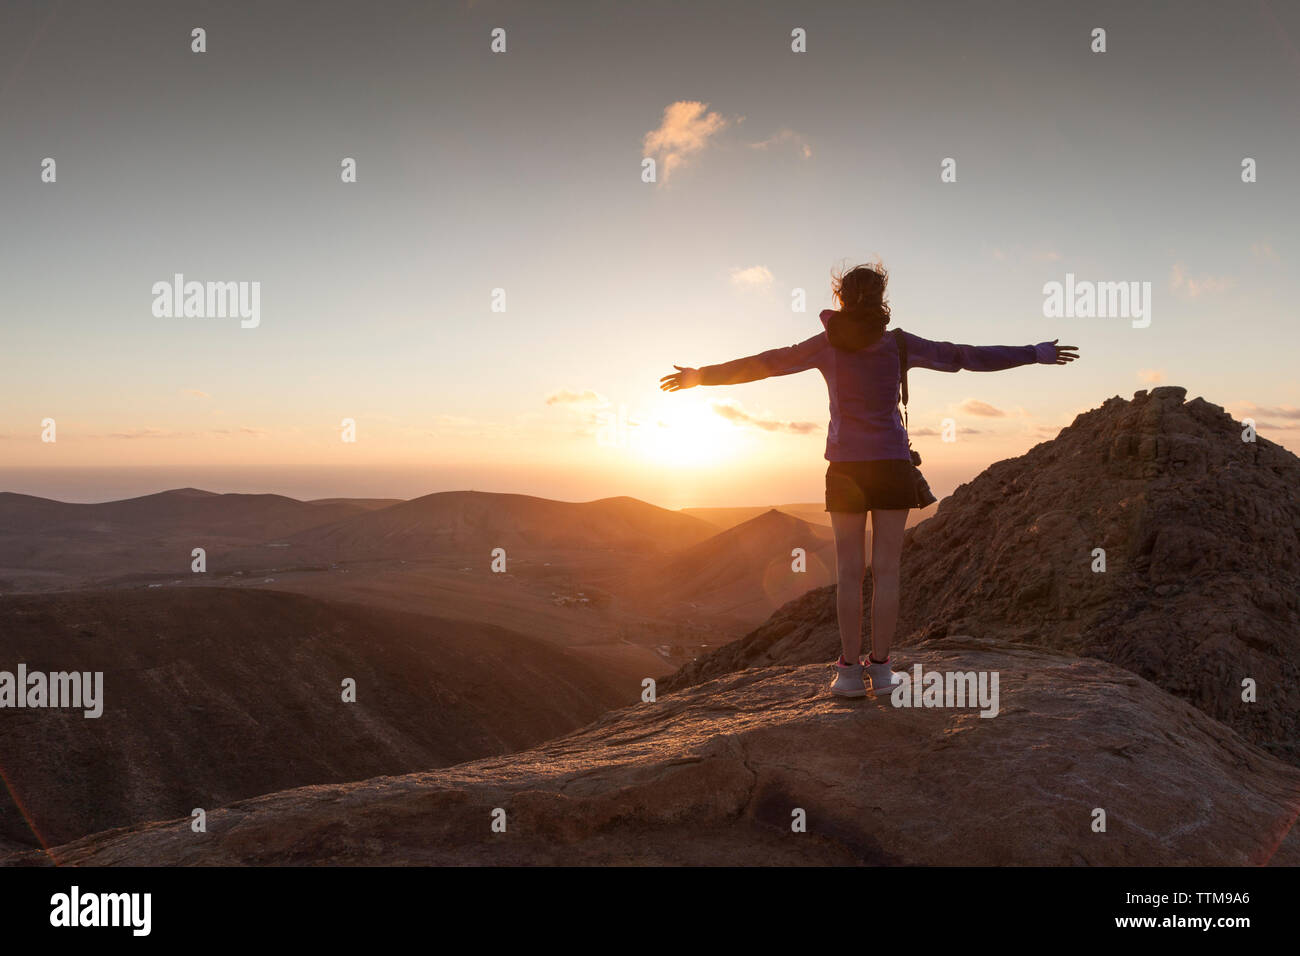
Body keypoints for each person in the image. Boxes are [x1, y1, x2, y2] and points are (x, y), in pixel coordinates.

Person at [659, 261, 1079, 698]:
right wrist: (1034, 352)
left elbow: (767, 364)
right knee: (888, 573)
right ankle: (880, 669)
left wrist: (699, 377)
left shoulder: (824, 345)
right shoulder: (898, 345)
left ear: (840, 298)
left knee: (847, 574)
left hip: (845, 469)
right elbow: (964, 356)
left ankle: (847, 674)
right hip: (892, 467)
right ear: (882, 300)